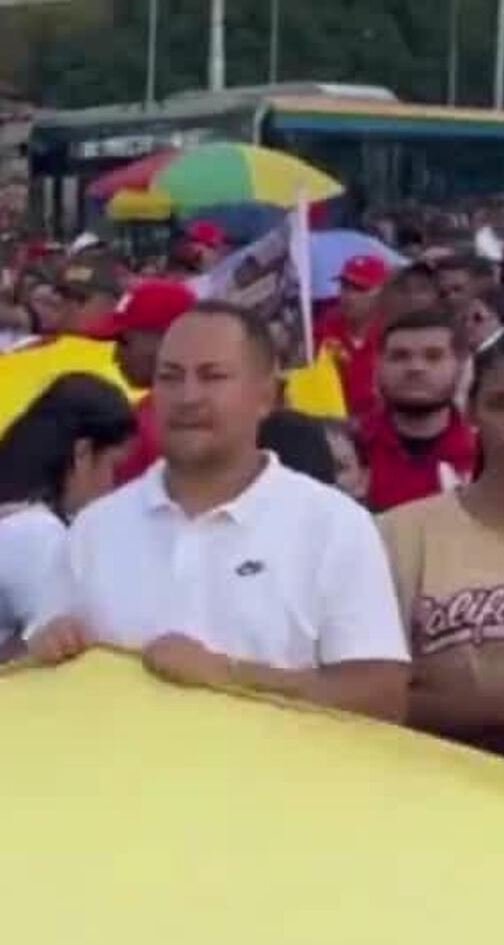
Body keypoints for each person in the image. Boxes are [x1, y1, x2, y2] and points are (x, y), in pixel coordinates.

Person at [30, 303, 410, 722]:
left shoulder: (333, 525)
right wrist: (49, 649)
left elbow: (381, 695)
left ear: (265, 396)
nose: (188, 397)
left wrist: (231, 676)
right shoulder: (96, 527)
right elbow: (39, 674)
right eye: (170, 377)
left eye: (212, 377)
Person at [0, 374, 139, 671]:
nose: (112, 487)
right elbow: (73, 651)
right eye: (113, 467)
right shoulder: (31, 535)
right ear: (82, 453)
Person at [380, 330, 504, 754]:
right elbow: (368, 695)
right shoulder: (398, 535)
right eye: (501, 403)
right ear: (470, 412)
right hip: (436, 777)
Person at [357, 306, 476, 513]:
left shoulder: (488, 453)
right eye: (400, 356)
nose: (416, 367)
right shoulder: (348, 445)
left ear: (460, 366)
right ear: (378, 365)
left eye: (433, 356)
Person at [102, 278, 197, 483]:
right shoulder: (229, 409)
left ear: (166, 340)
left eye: (124, 341)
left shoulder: (148, 427)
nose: (116, 356)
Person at [314, 254, 389, 422]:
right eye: (345, 287)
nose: (349, 296)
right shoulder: (322, 330)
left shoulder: (390, 335)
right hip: (329, 423)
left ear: (381, 294)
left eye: (360, 289)